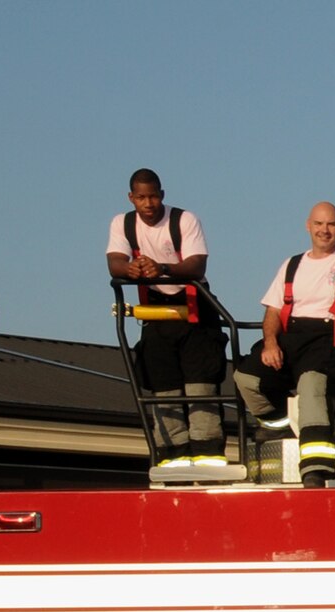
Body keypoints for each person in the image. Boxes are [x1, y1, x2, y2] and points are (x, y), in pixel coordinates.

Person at [235, 203, 335, 487]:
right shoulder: (291, 264)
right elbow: (273, 311)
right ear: (308, 226)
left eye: (331, 225)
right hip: (290, 337)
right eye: (319, 224)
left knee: (312, 385)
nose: (325, 230)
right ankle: (280, 424)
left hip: (331, 338)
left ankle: (315, 469)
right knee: (246, 377)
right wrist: (270, 343)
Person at [105, 168, 227, 472]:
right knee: (164, 390)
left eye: (154, 196)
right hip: (156, 317)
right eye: (142, 198)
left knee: (201, 388)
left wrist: (160, 268)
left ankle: (208, 456)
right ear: (131, 198)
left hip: (197, 313)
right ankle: (173, 458)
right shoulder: (122, 223)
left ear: (163, 194)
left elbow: (197, 265)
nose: (149, 204)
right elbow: (114, 262)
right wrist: (130, 270)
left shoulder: (184, 220)